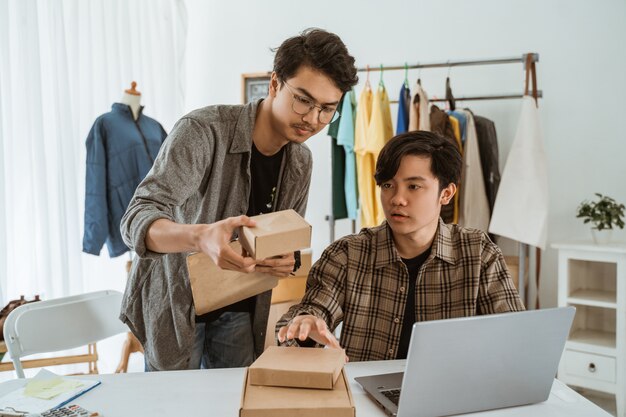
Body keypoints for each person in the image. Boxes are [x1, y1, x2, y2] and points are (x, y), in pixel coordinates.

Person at [120, 28, 358, 371]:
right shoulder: (203, 131)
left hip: (240, 305)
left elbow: (281, 238)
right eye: (303, 100)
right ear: (274, 83)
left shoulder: (301, 161)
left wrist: (285, 260)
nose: (313, 119)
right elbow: (136, 218)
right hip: (177, 305)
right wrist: (199, 238)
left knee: (234, 404)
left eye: (327, 109)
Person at [277, 131, 525, 361]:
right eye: (388, 185)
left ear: (446, 194)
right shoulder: (347, 254)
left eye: (413, 186)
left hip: (453, 393)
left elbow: (515, 337)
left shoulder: (479, 253)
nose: (396, 199)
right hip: (366, 399)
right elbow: (312, 311)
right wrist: (304, 325)